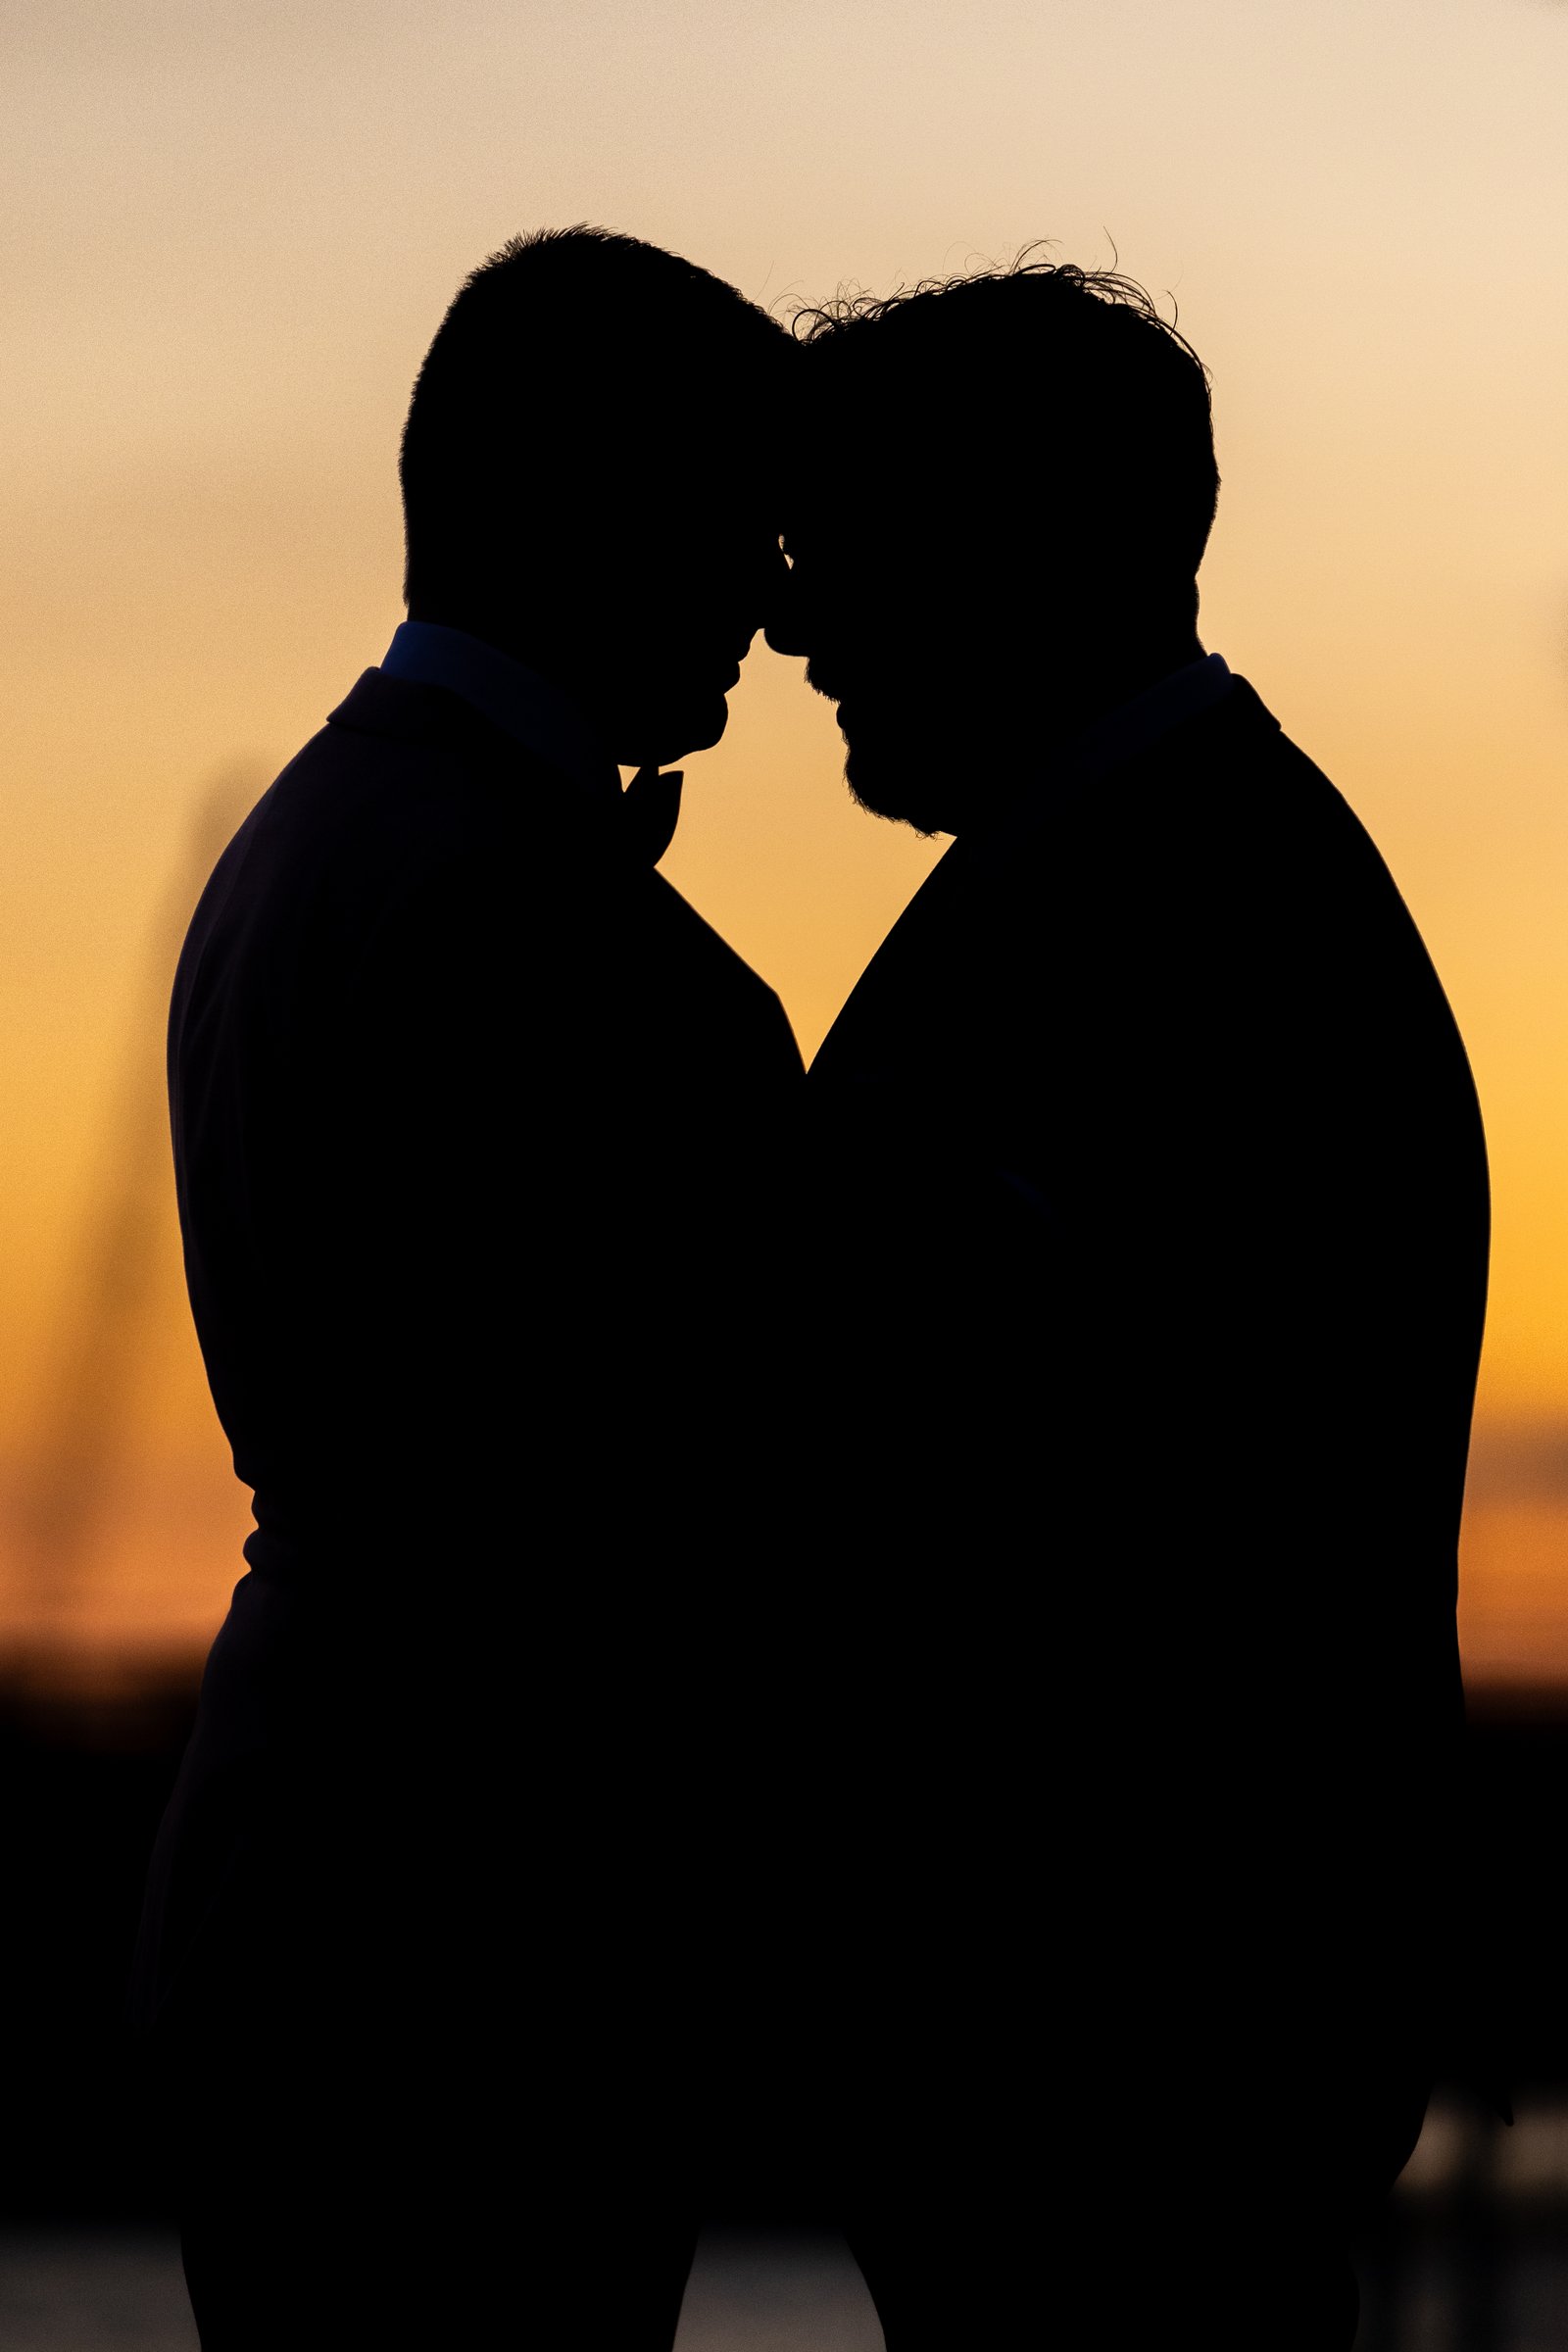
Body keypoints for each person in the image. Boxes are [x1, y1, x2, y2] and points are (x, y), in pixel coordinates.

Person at [766, 258, 1491, 2346]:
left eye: (843, 556)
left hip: (1116, 2058)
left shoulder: (1180, 924)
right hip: (1137, 2043)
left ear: (1014, 553)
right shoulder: (1176, 872)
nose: (797, 627)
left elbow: (983, 1477)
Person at [130, 227, 803, 2348]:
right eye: (739, 518)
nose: (777, 595)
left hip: (285, 1871)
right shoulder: (581, 951)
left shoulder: (297, 851)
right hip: (494, 1939)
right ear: (593, 509)